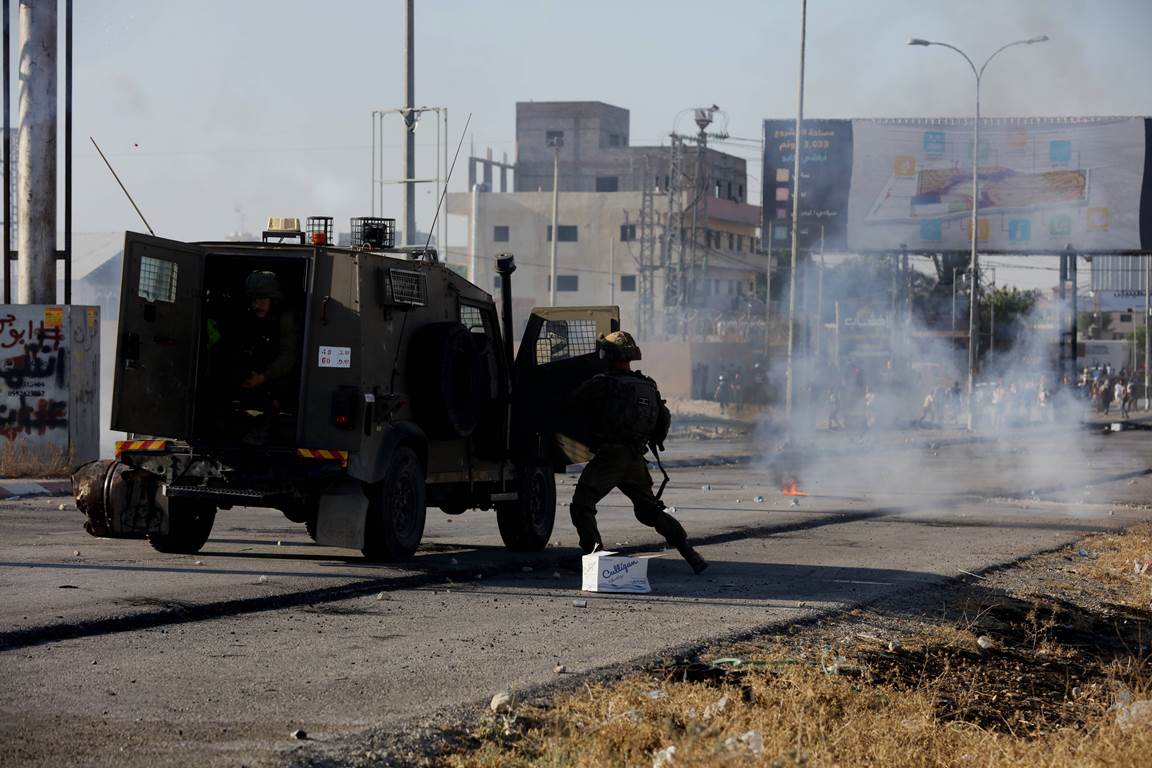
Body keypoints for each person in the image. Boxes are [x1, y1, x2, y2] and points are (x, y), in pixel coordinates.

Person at [567, 331, 708, 574]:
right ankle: (690, 554)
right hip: (635, 457)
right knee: (649, 510)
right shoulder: (647, 385)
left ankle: (593, 556)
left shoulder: (602, 383)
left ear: (608, 356)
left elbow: (572, 404)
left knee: (582, 504)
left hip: (611, 456)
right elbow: (663, 421)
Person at [232, 270, 298, 442]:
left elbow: (288, 357)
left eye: (262, 300)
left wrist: (262, 377)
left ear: (273, 301)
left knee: (283, 385)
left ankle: (266, 426)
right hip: (255, 372)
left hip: (276, 376)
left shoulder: (285, 320)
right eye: (254, 300)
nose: (257, 305)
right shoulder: (248, 318)